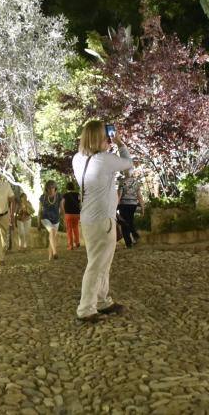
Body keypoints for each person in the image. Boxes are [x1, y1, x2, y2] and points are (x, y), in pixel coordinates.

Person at [72, 120, 133, 322]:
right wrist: (119, 143)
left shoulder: (77, 159)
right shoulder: (104, 160)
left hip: (88, 218)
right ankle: (86, 308)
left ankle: (103, 300)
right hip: (102, 220)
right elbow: (128, 164)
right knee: (97, 264)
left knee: (101, 262)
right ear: (101, 137)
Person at [116, 170, 144, 248]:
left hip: (124, 205)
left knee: (124, 223)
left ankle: (129, 243)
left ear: (124, 172)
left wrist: (115, 206)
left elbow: (119, 196)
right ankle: (134, 235)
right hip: (133, 205)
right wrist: (142, 207)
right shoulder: (136, 182)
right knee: (130, 221)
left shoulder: (122, 182)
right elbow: (139, 196)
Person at [39, 180, 61, 260]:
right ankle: (55, 252)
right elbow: (39, 210)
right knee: (51, 231)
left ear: (55, 188)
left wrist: (64, 218)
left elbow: (61, 208)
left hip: (56, 219)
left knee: (52, 237)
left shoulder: (59, 196)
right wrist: (38, 222)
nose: (51, 189)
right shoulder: (43, 197)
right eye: (49, 188)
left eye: (53, 187)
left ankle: (50, 257)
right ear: (46, 189)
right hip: (45, 218)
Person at [60, 182, 81, 250]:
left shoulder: (65, 195)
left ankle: (70, 245)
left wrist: (63, 212)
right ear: (73, 187)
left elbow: (62, 204)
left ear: (67, 187)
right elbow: (80, 203)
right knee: (76, 228)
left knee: (69, 230)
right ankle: (77, 242)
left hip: (68, 214)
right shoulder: (78, 194)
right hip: (77, 214)